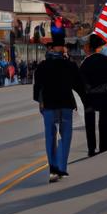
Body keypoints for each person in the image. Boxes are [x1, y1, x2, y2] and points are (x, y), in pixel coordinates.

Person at [33, 36, 85, 183]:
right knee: (66, 136)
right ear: (62, 48)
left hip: (49, 104)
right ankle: (61, 167)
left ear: (50, 48)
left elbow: (37, 88)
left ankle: (53, 169)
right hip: (65, 104)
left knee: (50, 136)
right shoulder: (70, 65)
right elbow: (79, 85)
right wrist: (86, 100)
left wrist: (40, 102)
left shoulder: (42, 66)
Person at [79, 34, 107, 156]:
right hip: (104, 94)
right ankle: (104, 146)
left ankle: (91, 148)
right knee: (105, 121)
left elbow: (81, 82)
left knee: (90, 123)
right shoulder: (106, 61)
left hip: (90, 96)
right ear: (99, 48)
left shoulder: (85, 63)